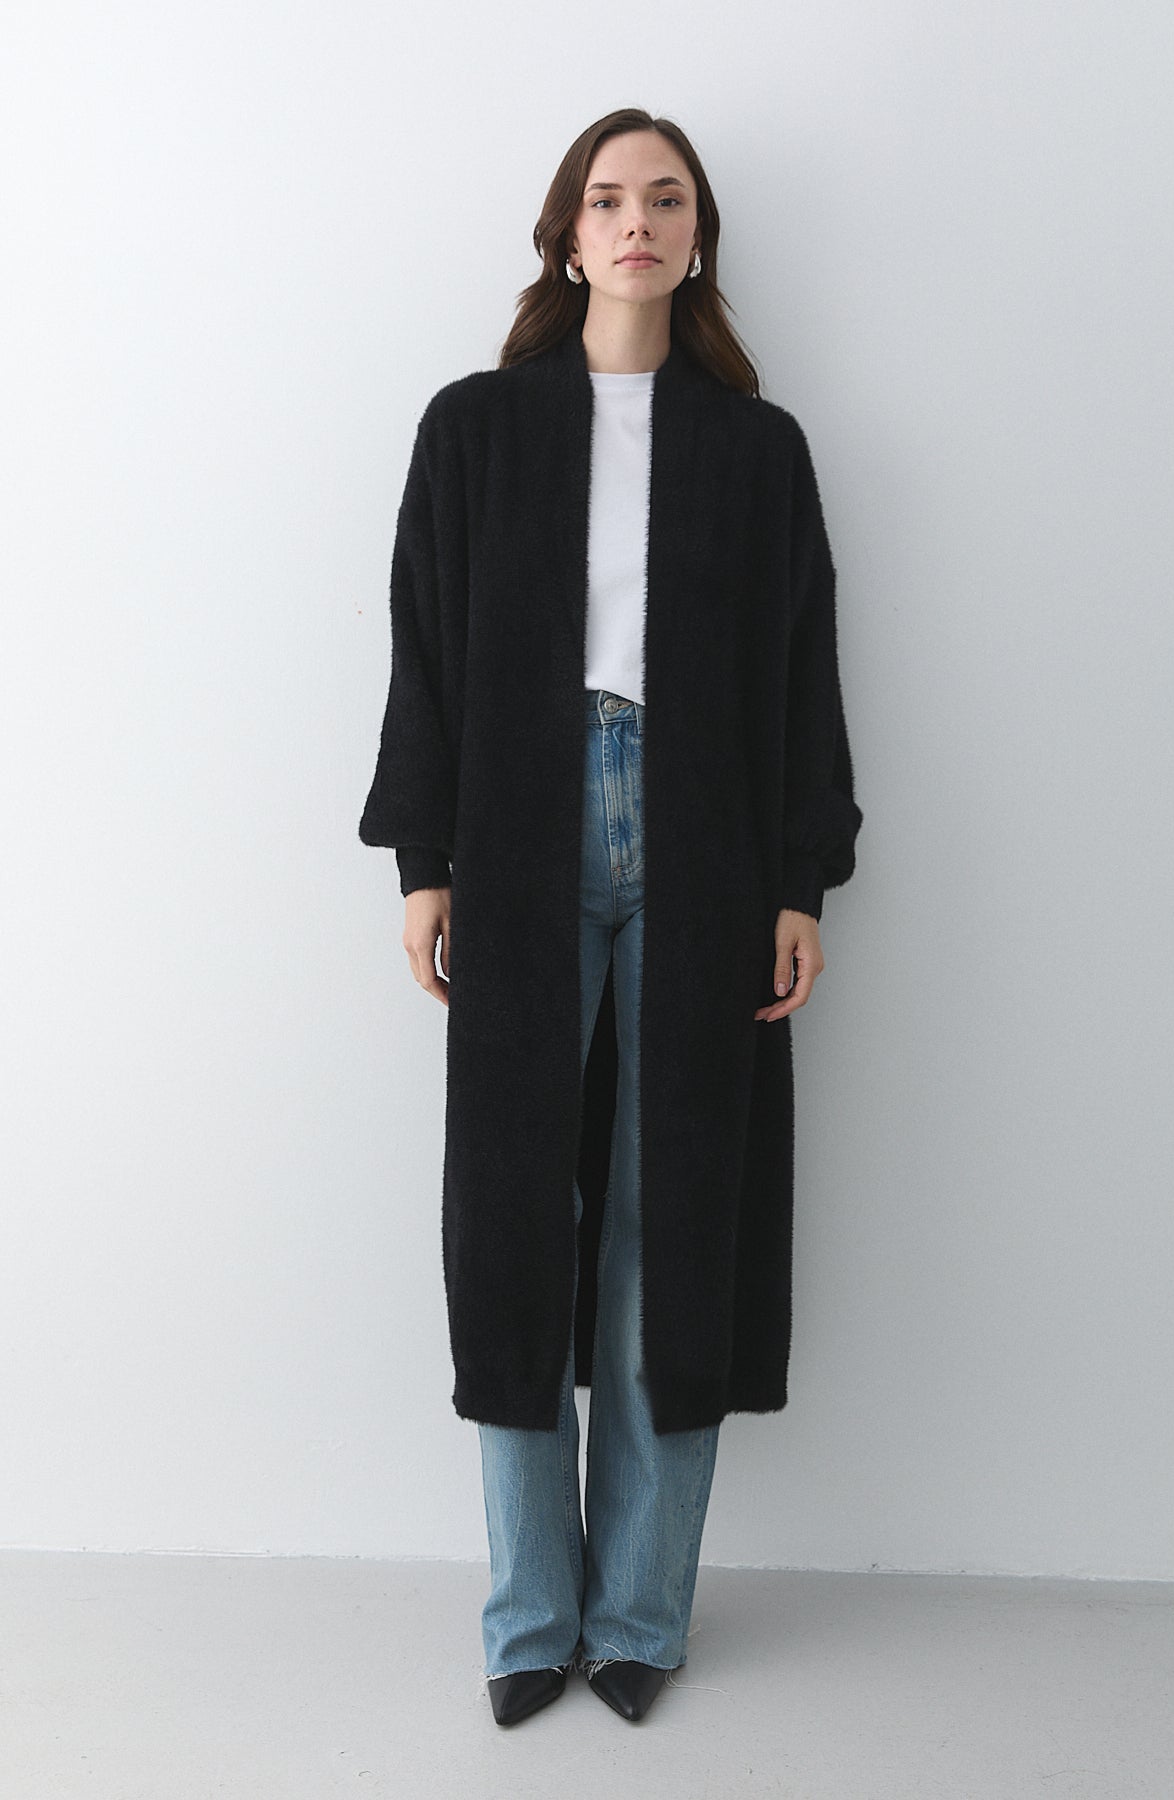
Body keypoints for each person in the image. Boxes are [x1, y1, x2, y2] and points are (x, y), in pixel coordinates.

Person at [358, 108, 863, 1728]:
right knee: (517, 1212)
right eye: (606, 199)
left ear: (697, 236)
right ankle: (530, 1616)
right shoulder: (476, 429)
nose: (636, 221)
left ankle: (640, 1611)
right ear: (566, 237)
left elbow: (803, 669)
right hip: (522, 829)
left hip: (707, 840)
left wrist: (799, 877)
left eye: (665, 199)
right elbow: (426, 644)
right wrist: (424, 857)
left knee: (674, 1214)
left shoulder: (756, 450)